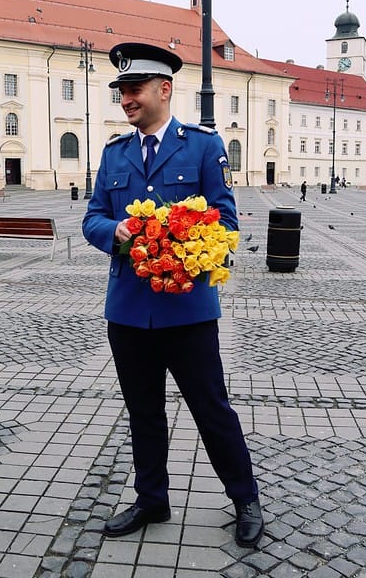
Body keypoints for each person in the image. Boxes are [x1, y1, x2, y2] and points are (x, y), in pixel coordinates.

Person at [82, 42, 263, 548]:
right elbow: (92, 217)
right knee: (143, 411)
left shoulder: (204, 147)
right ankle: (151, 499)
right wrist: (114, 231)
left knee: (211, 407)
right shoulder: (114, 152)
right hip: (128, 311)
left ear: (164, 89)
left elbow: (225, 219)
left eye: (134, 89)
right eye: (121, 91)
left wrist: (179, 237)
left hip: (187, 309)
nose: (126, 100)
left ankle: (244, 497)